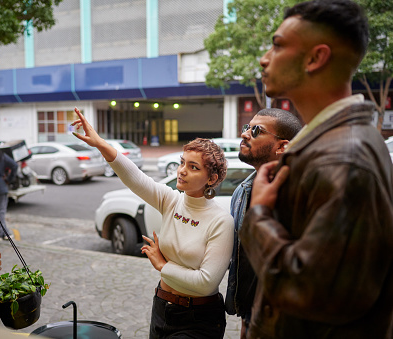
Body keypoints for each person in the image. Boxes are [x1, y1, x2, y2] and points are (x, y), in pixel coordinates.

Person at [239, 0, 393, 338]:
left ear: (315, 58)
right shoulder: (330, 144)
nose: (265, 58)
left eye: (277, 45)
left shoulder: (345, 158)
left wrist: (260, 213)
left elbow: (310, 290)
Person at [71, 107, 233, 339]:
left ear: (212, 179)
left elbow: (206, 283)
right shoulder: (171, 201)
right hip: (162, 306)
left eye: (193, 167)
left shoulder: (221, 221)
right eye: (182, 162)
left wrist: (162, 266)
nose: (182, 171)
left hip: (199, 318)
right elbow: (135, 178)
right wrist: (100, 144)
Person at [225, 108, 302, 338]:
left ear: (282, 146)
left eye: (256, 130)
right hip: (250, 315)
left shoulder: (298, 195)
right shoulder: (241, 191)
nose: (245, 134)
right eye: (246, 127)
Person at [0, 139, 18, 241]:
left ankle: (2, 233)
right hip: (1, 186)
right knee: (1, 211)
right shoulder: (0, 155)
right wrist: (8, 179)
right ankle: (2, 233)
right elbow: (14, 165)